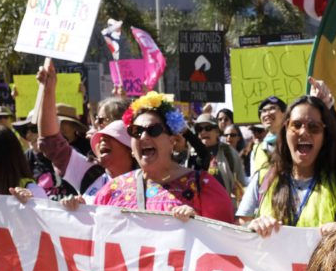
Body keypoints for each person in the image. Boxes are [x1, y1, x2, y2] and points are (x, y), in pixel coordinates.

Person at [93, 92, 234, 223]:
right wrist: (77, 212)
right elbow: (93, 237)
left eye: (153, 130)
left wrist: (196, 224)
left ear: (172, 141)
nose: (144, 137)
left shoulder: (203, 187)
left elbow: (225, 241)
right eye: (136, 131)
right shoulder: (112, 191)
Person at [238, 94, 336, 236]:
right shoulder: (263, 179)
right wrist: (252, 226)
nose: (304, 132)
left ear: (325, 135)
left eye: (314, 127)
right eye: (296, 125)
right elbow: (241, 226)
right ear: (285, 129)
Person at [34, 61, 129, 201]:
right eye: (96, 119)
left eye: (103, 120)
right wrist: (48, 89)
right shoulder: (90, 174)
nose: (95, 124)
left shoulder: (153, 180)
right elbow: (51, 143)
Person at [192, 112, 247, 205]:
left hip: (223, 208)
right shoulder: (191, 153)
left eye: (208, 128)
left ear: (217, 132)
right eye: (199, 129)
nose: (203, 132)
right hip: (197, 210)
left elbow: (241, 182)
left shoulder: (229, 152)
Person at [250, 96, 286, 175]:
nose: (267, 114)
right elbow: (254, 180)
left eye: (272, 108)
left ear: (285, 114)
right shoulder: (257, 149)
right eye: (264, 111)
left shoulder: (294, 143)